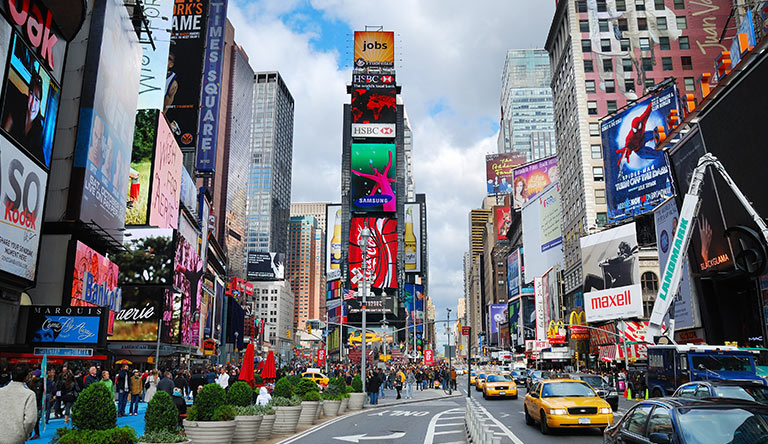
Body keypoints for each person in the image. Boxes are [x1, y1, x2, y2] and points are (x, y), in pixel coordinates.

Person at [0, 366, 38, 442]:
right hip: (17, 436)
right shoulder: (29, 394)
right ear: (26, 377)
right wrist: (25, 433)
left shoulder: (1, 391)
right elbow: (30, 420)